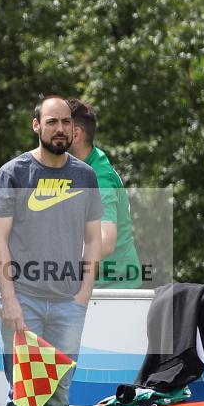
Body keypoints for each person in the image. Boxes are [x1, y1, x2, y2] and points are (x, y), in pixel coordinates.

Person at [0, 96, 102, 406]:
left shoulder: (85, 175)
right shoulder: (14, 173)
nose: (60, 129)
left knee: (57, 400)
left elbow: (93, 239)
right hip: (25, 302)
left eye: (66, 122)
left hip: (68, 305)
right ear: (36, 125)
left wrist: (83, 293)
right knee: (23, 398)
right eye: (52, 121)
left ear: (74, 128)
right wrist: (10, 300)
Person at [67, 98, 142, 288]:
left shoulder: (99, 177)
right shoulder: (81, 165)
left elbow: (106, 241)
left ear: (75, 134)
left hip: (113, 290)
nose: (54, 133)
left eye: (60, 126)